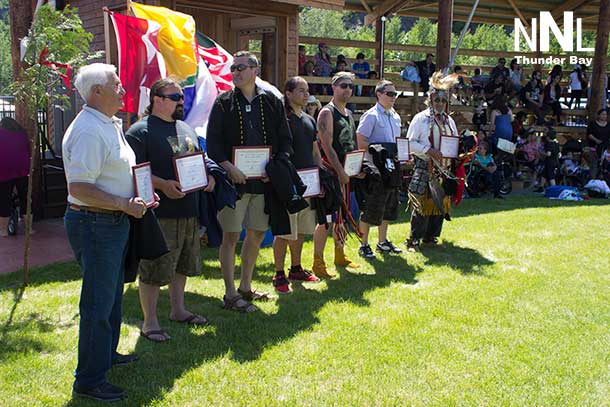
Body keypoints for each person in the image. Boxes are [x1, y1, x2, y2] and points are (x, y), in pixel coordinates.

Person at [62, 63, 151, 402]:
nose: (123, 90)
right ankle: (89, 379)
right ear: (96, 91)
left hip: (109, 221)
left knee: (111, 296)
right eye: (116, 84)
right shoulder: (89, 129)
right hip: (96, 222)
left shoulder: (106, 124)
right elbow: (81, 187)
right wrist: (125, 204)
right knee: (98, 303)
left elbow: (116, 172)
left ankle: (105, 357)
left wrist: (135, 196)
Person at [125, 78, 215, 342]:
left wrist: (208, 177)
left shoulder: (185, 128)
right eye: (175, 96)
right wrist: (163, 185)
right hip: (160, 214)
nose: (180, 100)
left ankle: (178, 310)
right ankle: (149, 322)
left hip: (189, 208)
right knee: (154, 268)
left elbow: (199, 160)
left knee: (182, 265)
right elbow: (135, 173)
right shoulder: (139, 132)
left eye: (181, 96)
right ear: (157, 99)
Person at [206, 51, 293, 312]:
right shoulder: (223, 103)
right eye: (233, 68)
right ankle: (230, 294)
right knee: (230, 237)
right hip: (234, 183)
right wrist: (228, 167)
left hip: (263, 182)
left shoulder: (272, 102)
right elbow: (213, 143)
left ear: (255, 70)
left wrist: (275, 168)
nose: (235, 72)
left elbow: (285, 140)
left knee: (255, 234)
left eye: (241, 67)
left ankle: (245, 286)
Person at [271, 77, 322, 294]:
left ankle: (296, 268)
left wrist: (321, 175)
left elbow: (314, 151)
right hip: (288, 183)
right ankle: (279, 273)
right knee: (284, 230)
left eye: (307, 91)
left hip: (309, 182)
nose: (305, 94)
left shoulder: (310, 120)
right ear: (288, 93)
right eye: (301, 90)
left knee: (301, 229)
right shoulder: (281, 118)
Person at [312, 71, 362, 278]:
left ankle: (339, 254)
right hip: (331, 172)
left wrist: (356, 168)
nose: (347, 89)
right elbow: (326, 145)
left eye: (350, 86)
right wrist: (340, 171)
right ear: (334, 87)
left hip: (345, 171)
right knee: (326, 218)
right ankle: (318, 261)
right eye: (343, 85)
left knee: (341, 216)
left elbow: (352, 143)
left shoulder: (349, 114)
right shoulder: (327, 112)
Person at [405, 72, 460, 252]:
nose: (440, 104)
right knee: (421, 203)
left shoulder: (449, 121)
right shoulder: (420, 119)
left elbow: (454, 142)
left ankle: (431, 236)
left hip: (444, 168)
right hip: (425, 165)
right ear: (431, 99)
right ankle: (414, 239)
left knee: (439, 202)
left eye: (443, 101)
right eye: (437, 100)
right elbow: (410, 143)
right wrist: (428, 150)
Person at [355, 80, 402, 259]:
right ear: (379, 94)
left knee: (389, 205)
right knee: (370, 207)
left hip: (392, 166)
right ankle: (364, 244)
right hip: (375, 168)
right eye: (390, 94)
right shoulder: (371, 116)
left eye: (395, 94)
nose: (393, 98)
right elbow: (361, 141)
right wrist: (379, 153)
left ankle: (382, 242)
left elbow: (398, 142)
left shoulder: (395, 116)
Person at [0, 118, 30, 237]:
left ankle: (2, 230)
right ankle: (29, 229)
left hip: (4, 170)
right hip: (22, 169)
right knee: (25, 198)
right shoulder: (22, 134)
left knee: (4, 199)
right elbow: (28, 150)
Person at [586, 108, 610, 179]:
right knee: (594, 164)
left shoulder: (609, 125)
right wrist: (596, 140)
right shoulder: (593, 124)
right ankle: (592, 180)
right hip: (594, 147)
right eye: (602, 114)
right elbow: (589, 134)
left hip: (605, 148)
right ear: (599, 115)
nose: (604, 116)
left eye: (605, 114)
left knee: (605, 164)